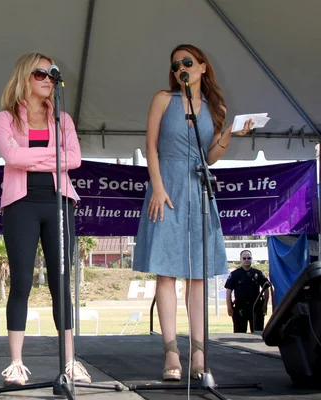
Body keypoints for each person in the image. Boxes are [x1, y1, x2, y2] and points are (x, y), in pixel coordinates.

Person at [133, 44, 253, 381]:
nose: (180, 68)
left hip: (199, 188)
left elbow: (211, 156)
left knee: (198, 274)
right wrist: (157, 186)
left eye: (187, 62)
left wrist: (230, 132)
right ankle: (171, 350)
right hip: (167, 184)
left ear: (202, 66)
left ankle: (199, 351)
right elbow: (151, 145)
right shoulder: (163, 99)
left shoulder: (216, 108)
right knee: (167, 271)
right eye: (175, 65)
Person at [0, 53, 90, 386]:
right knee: (20, 282)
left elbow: (74, 159)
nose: (48, 79)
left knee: (60, 283)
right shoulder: (5, 118)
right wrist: (52, 157)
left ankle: (70, 360)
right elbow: (12, 156)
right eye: (40, 73)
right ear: (24, 76)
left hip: (59, 203)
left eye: (51, 74)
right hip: (21, 205)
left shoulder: (62, 119)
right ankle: (16, 363)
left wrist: (31, 159)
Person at [225, 250, 271, 333]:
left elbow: (266, 288)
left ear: (251, 259)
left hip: (256, 308)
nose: (247, 260)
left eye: (249, 258)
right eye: (244, 258)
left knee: (258, 333)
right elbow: (228, 291)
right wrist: (229, 307)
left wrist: (265, 305)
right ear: (240, 259)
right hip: (240, 308)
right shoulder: (234, 274)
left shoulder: (258, 273)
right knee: (239, 334)